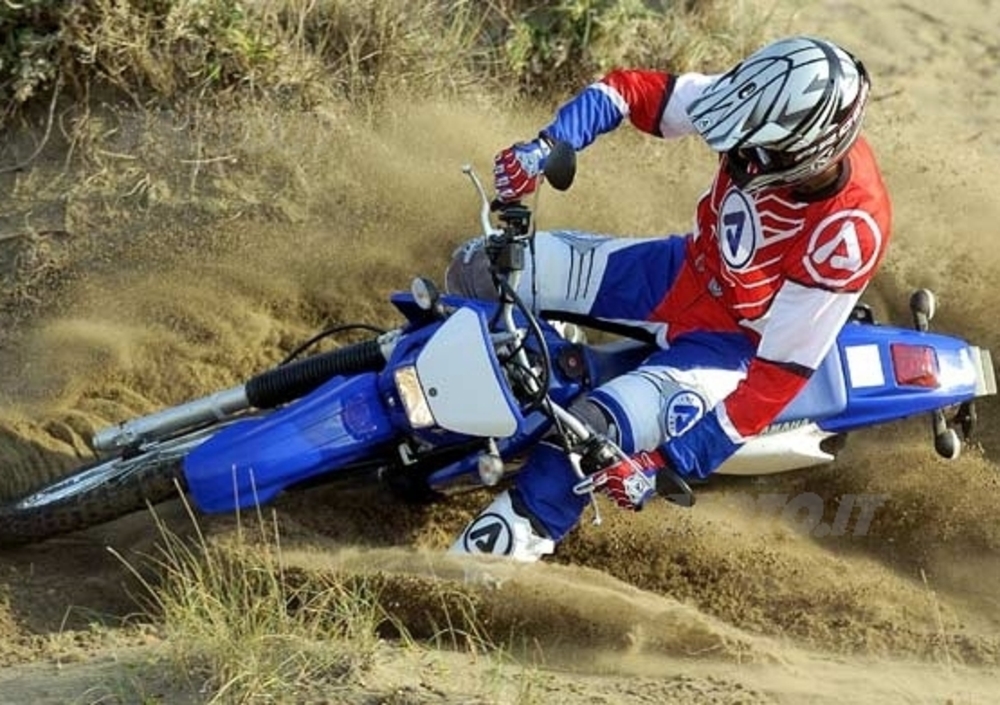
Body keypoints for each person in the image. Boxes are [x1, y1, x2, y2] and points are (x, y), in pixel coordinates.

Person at [445, 35, 892, 561]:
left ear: (807, 152)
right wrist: (548, 146)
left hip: (732, 348)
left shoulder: (849, 234)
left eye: (757, 150)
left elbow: (778, 376)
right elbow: (630, 92)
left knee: (583, 438)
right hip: (680, 270)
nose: (739, 155)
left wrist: (667, 462)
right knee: (478, 267)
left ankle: (477, 576)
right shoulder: (753, 105)